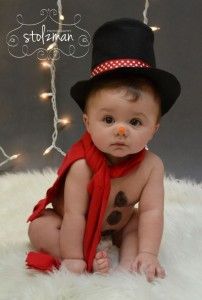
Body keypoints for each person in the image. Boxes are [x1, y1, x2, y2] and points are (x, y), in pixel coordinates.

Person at [26, 18, 181, 283]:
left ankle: (133, 260)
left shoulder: (152, 166)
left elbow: (151, 212)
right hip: (74, 224)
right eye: (108, 120)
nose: (121, 131)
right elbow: (75, 215)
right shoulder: (82, 165)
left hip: (115, 224)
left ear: (154, 128)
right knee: (39, 228)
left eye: (135, 122)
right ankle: (84, 256)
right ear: (88, 122)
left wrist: (149, 252)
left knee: (134, 224)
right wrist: (75, 257)